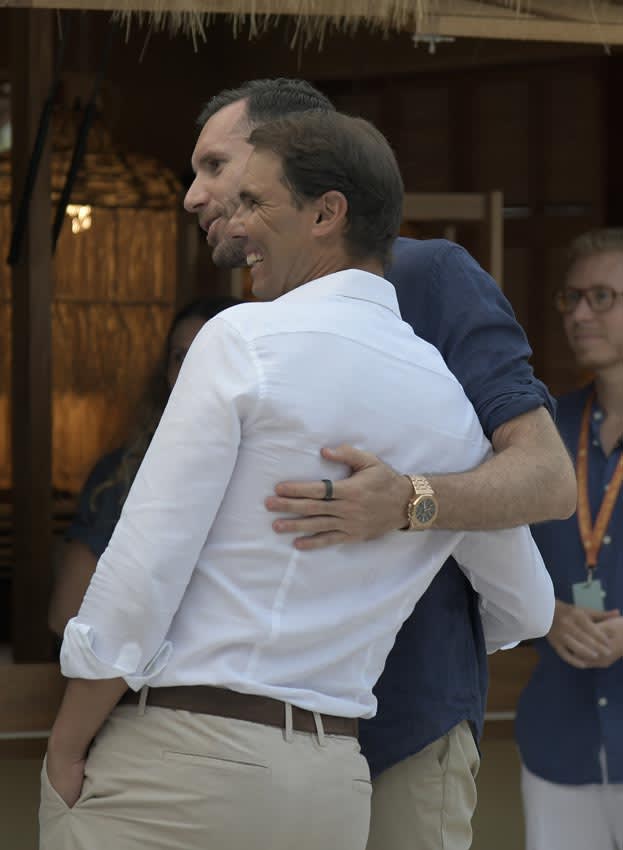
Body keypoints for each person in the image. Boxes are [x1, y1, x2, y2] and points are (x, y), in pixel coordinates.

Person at [42, 110, 554, 850]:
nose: (230, 219)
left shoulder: (241, 340)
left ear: (326, 213)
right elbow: (528, 609)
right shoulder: (446, 401)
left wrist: (66, 744)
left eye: (253, 202)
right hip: (331, 775)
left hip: (181, 759)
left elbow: (140, 576)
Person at [183, 77, 576, 850]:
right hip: (262, 736)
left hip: (403, 724)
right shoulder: (249, 318)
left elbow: (546, 478)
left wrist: (409, 502)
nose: (194, 196)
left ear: (294, 163)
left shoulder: (427, 276)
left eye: (215, 166)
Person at [516, 228, 623, 850]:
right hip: (559, 739)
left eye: (603, 297)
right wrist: (546, 614)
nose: (580, 313)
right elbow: (494, 561)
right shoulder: (544, 429)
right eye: (572, 298)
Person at [48, 295, 241, 638]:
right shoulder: (123, 475)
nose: (189, 371)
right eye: (180, 356)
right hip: (146, 680)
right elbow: (67, 614)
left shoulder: (280, 469)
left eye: (208, 356)